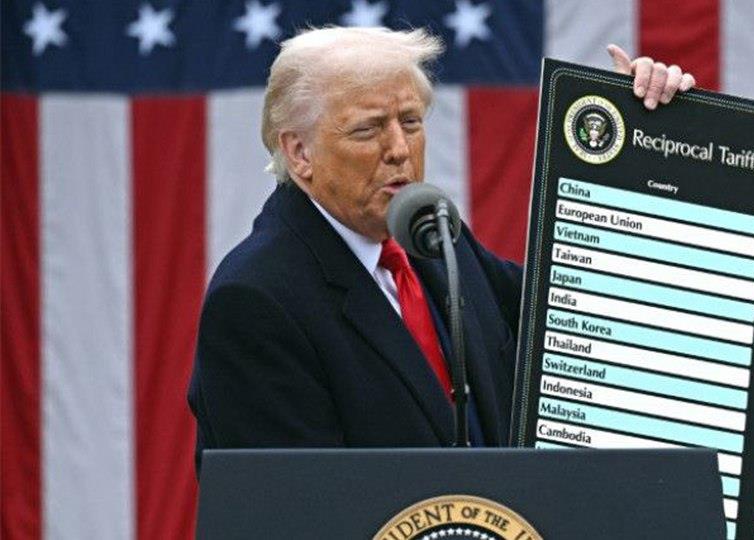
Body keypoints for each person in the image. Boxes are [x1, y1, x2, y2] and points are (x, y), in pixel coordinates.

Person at [187, 26, 695, 469]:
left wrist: (642, 143)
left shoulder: (432, 239)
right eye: (368, 129)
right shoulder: (255, 300)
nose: (399, 149)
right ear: (300, 152)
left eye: (410, 122)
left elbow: (578, 318)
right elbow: (297, 509)